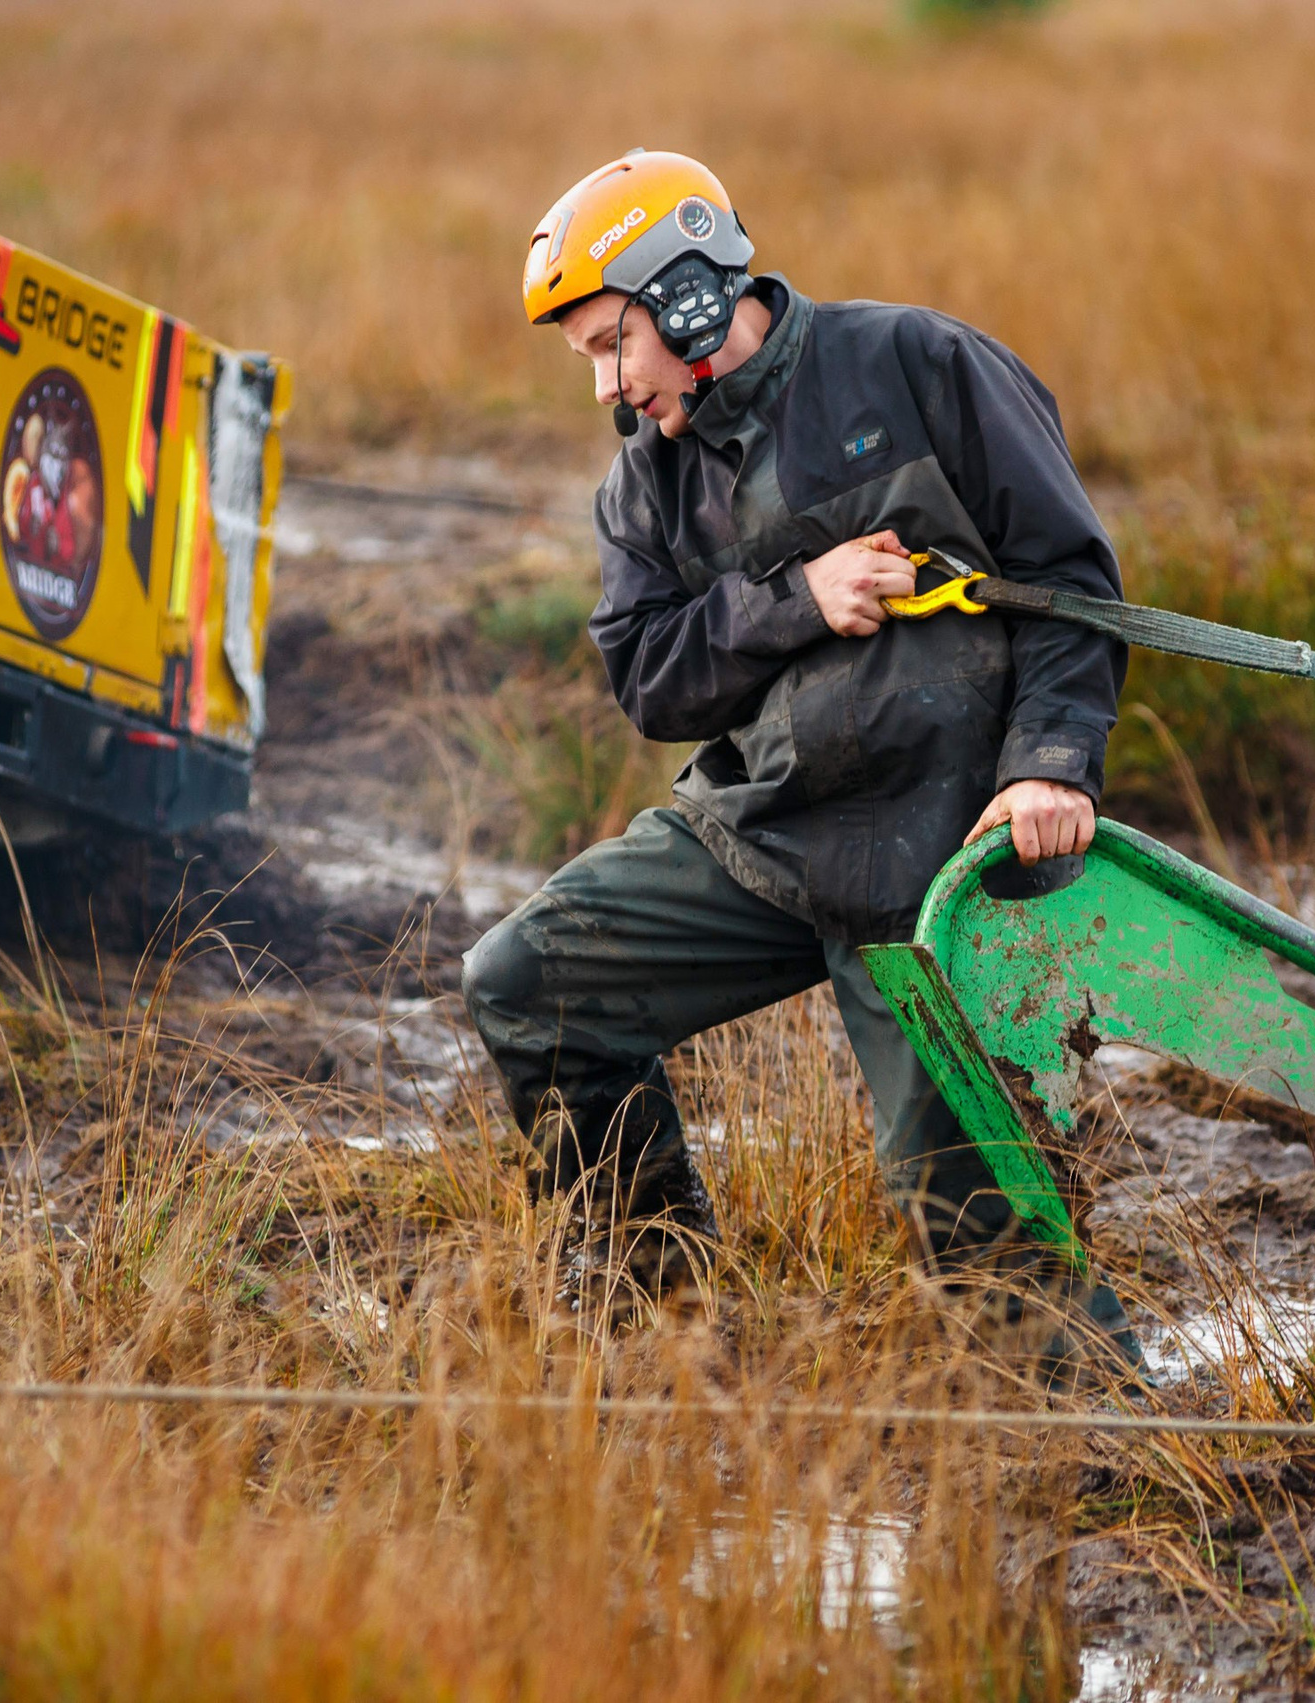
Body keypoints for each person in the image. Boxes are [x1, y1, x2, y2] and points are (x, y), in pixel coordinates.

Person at [463, 148, 1138, 1368]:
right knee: (526, 981)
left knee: (966, 1219)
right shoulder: (642, 484)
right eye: (590, 361)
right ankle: (664, 1322)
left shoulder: (919, 363)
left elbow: (1073, 583)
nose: (608, 387)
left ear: (686, 298)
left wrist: (1049, 764)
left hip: (940, 863)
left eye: (614, 345)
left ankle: (1103, 1442)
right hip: (761, 838)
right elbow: (650, 679)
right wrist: (796, 600)